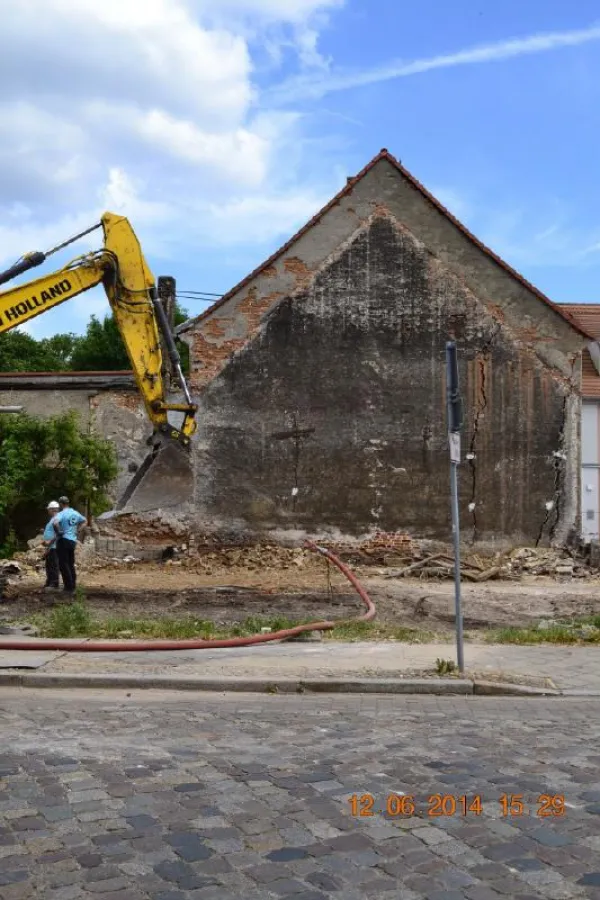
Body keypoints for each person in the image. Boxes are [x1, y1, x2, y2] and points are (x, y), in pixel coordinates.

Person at [53, 496, 86, 594]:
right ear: (68, 503)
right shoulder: (75, 513)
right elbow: (84, 521)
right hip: (72, 541)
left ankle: (68, 587)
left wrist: (59, 531)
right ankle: (73, 585)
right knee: (71, 563)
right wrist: (79, 530)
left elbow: (55, 523)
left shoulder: (61, 514)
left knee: (63, 564)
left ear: (61, 504)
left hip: (63, 540)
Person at [42, 501, 60, 590]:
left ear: (52, 509)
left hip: (54, 546)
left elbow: (59, 533)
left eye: (48, 509)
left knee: (53, 565)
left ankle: (54, 583)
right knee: (49, 565)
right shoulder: (53, 519)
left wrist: (49, 542)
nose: (47, 511)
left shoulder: (56, 519)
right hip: (51, 546)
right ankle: (49, 581)